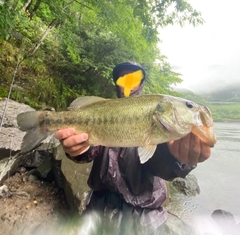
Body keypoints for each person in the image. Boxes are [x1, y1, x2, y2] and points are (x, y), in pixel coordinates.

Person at [55, 62, 211, 234]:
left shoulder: (164, 126)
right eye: (123, 78)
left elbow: (162, 164)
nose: (127, 83)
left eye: (133, 78)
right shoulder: (103, 110)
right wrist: (77, 150)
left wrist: (178, 159)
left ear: (142, 83)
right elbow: (90, 151)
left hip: (145, 219)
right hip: (99, 208)